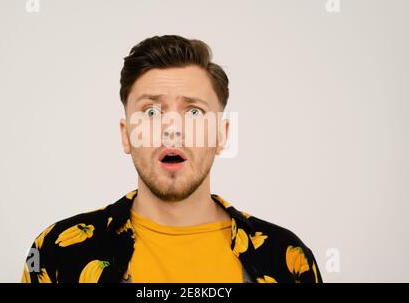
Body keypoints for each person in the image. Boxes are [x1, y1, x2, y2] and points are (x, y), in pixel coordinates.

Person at [21, 35, 322, 283]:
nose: (172, 129)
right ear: (127, 135)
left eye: (194, 112)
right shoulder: (57, 252)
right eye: (151, 112)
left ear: (221, 135)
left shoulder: (288, 259)